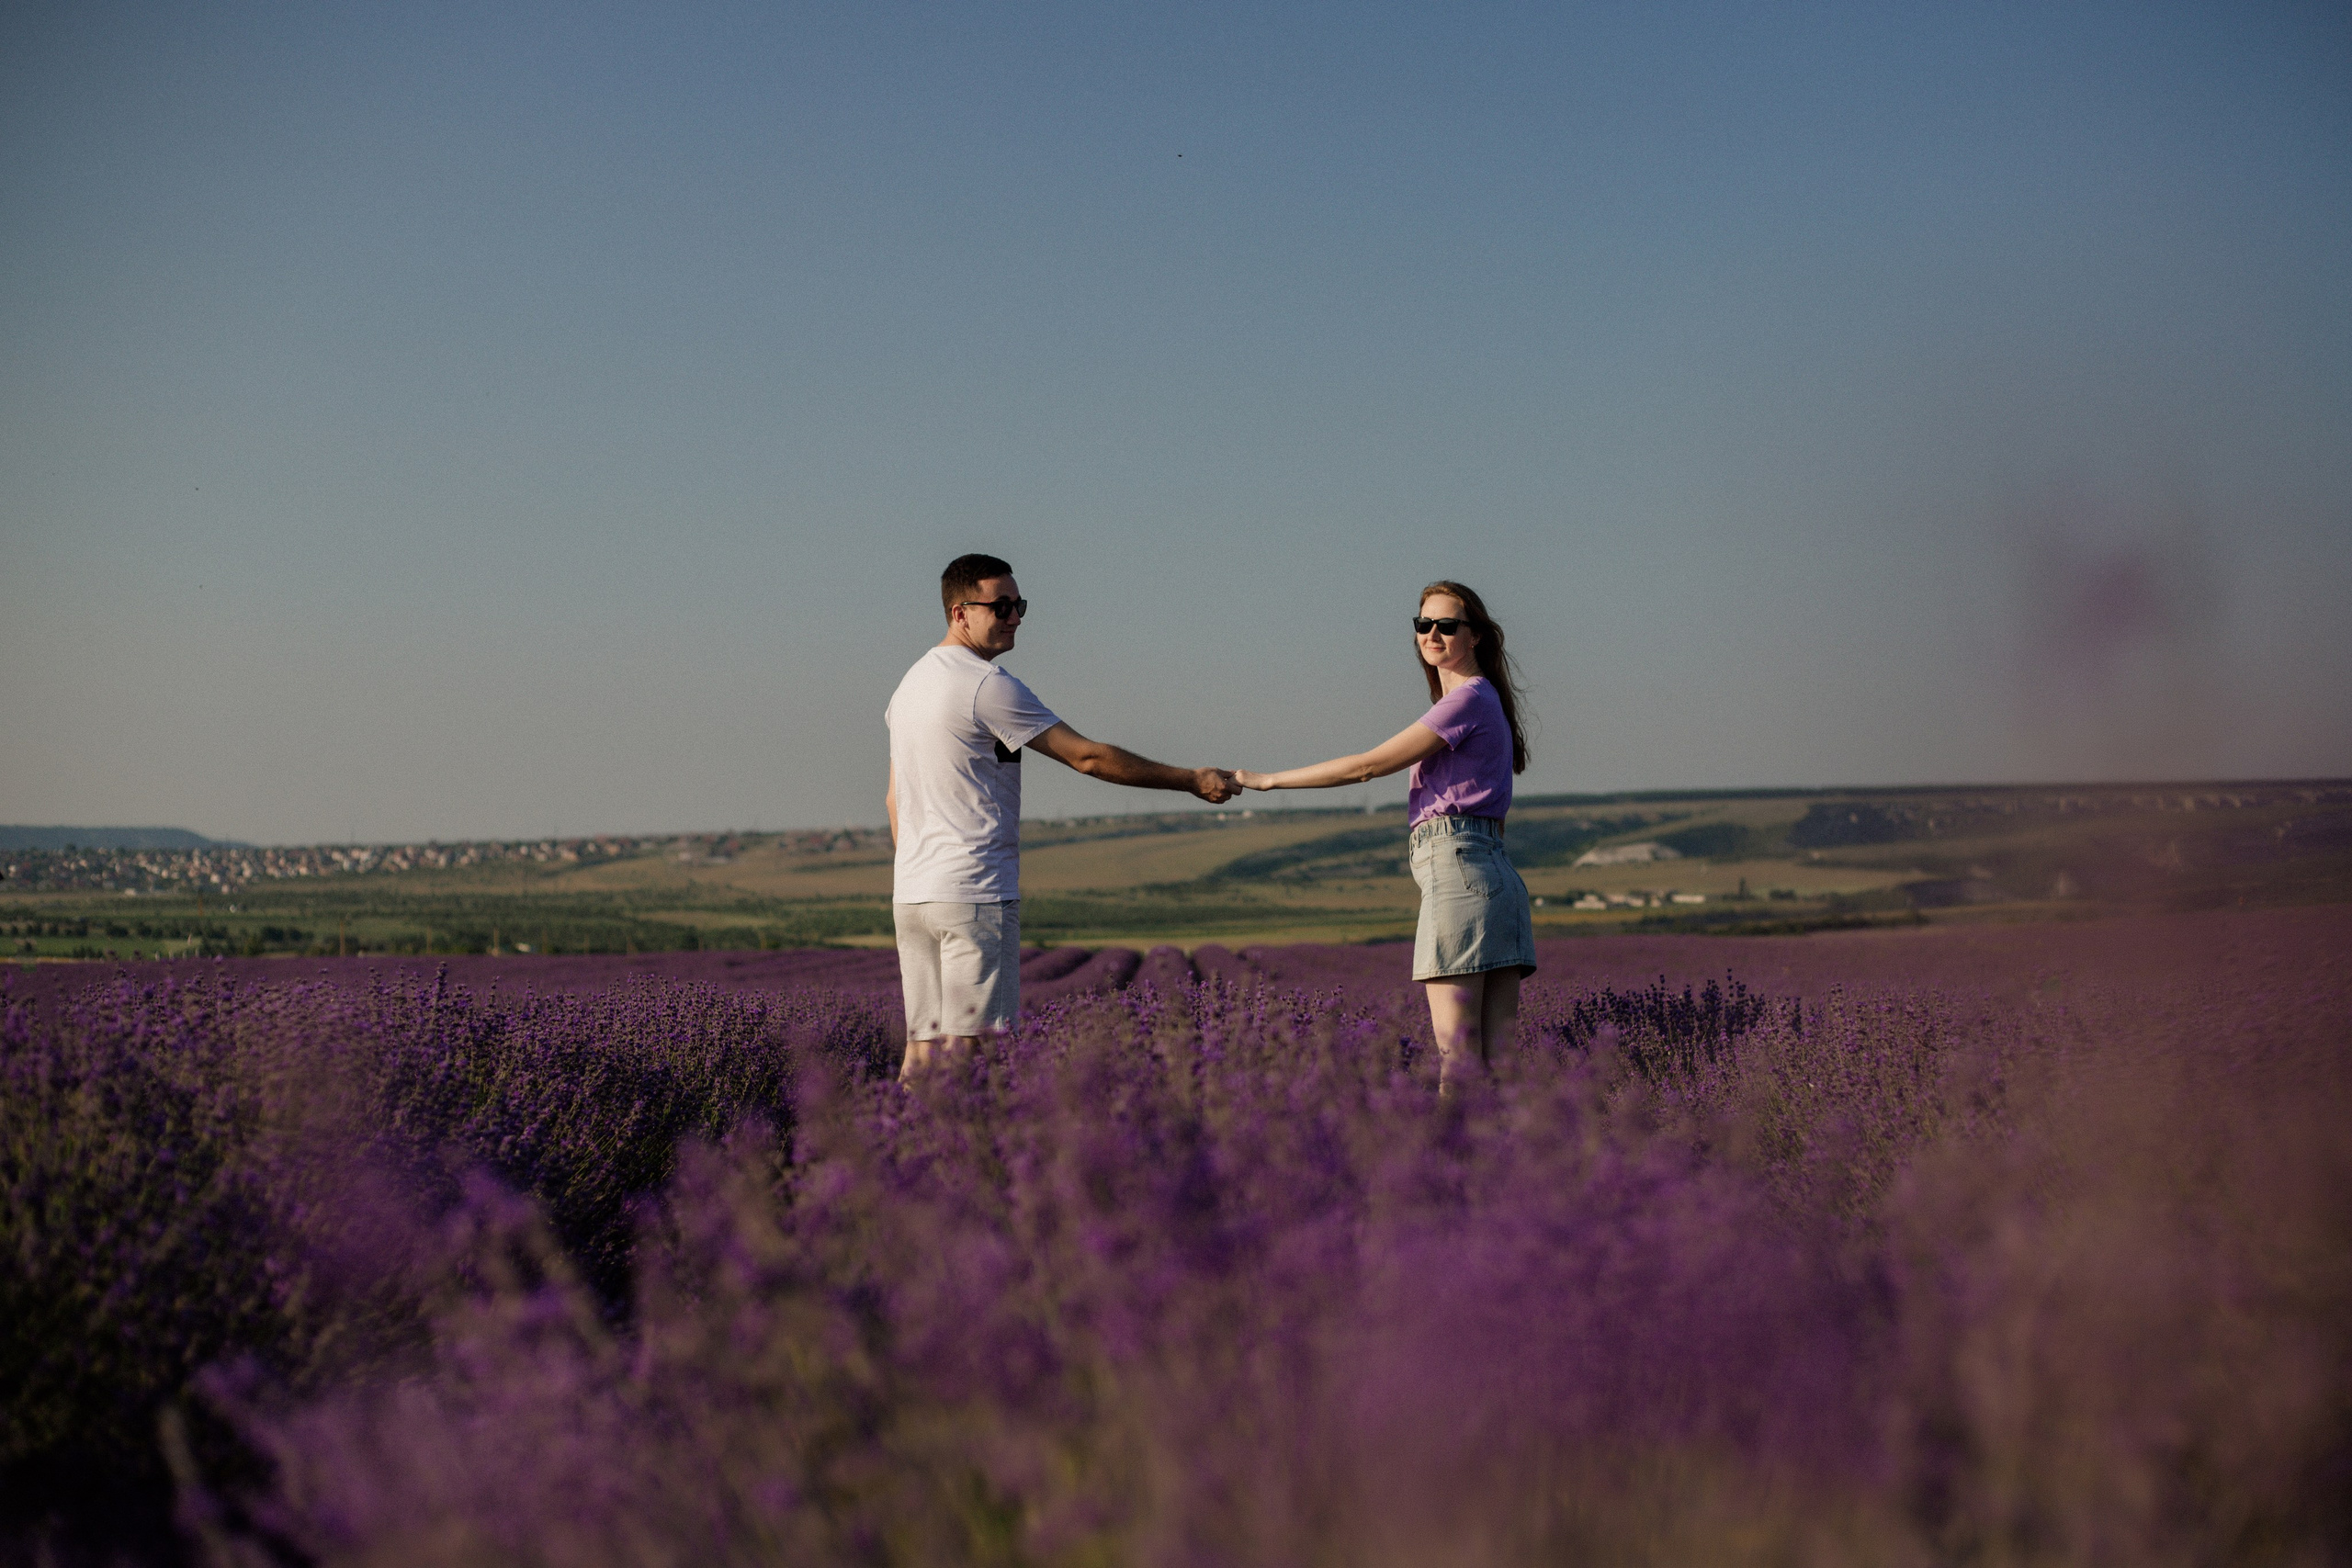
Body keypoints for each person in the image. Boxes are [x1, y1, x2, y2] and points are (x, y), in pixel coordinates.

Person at [887, 553, 1238, 1080]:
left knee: (922, 1052)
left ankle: (893, 1156)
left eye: (1019, 605)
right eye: (1001, 606)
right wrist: (1189, 779)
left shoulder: (908, 686)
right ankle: (959, 1159)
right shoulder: (986, 684)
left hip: (913, 895)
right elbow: (1087, 756)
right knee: (974, 1052)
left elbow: (894, 800)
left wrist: (924, 870)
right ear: (960, 612)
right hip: (973, 892)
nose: (1016, 617)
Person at [1235, 581, 1533, 1094]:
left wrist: (1266, 780)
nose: (1432, 634)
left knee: (1458, 1062)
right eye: (1424, 625)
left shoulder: (1465, 701)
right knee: (1498, 1067)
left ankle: (1446, 1170)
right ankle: (1512, 1170)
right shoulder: (1485, 701)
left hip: (1461, 875)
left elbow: (1368, 767)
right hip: (1497, 879)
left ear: (1477, 635)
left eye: (1447, 625)